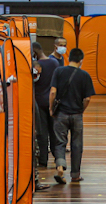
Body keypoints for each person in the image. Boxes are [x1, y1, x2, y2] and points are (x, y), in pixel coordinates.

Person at [49, 47, 95, 185]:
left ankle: (60, 167)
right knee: (77, 145)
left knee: (59, 142)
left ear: (68, 58)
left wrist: (51, 109)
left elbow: (52, 92)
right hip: (76, 115)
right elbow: (87, 98)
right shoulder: (85, 75)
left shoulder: (58, 71)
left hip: (61, 114)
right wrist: (81, 110)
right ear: (81, 60)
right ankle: (75, 175)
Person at [32, 42, 59, 175]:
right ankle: (58, 158)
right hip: (52, 101)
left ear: (34, 53)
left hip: (38, 102)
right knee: (54, 131)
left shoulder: (35, 66)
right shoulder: (54, 63)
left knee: (42, 132)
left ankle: (43, 160)